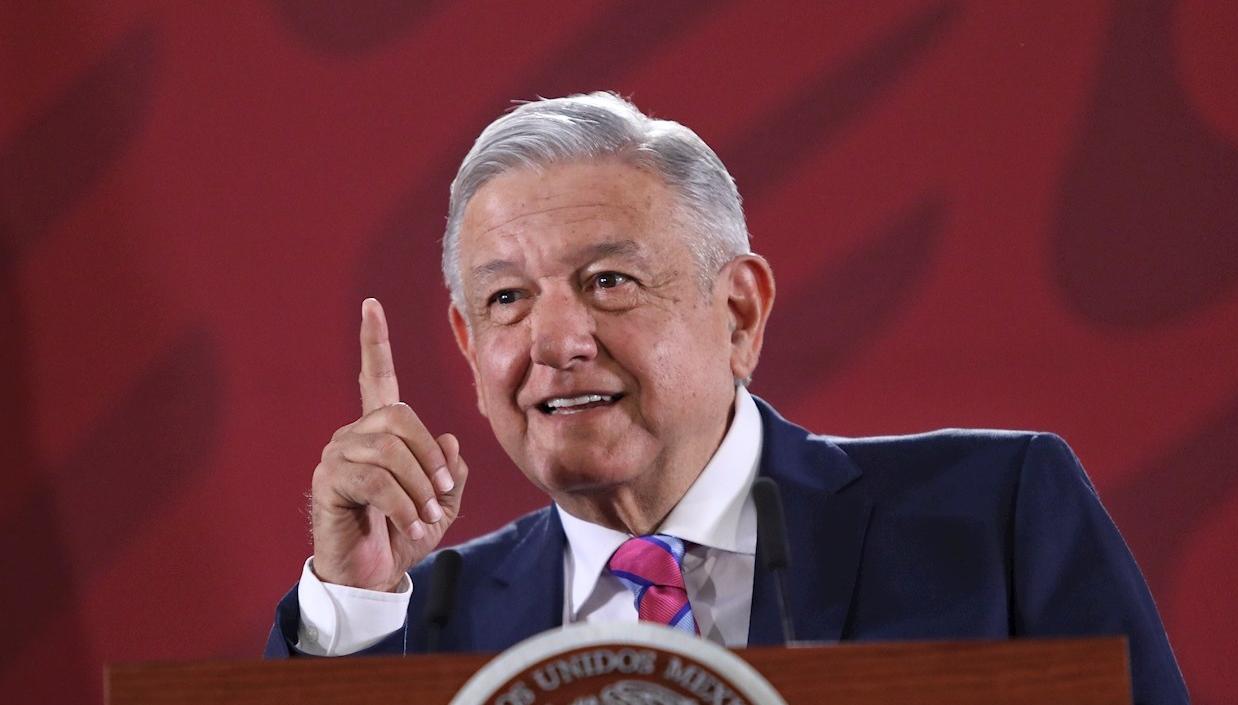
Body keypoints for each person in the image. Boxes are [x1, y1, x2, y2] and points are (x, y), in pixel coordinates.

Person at [265, 92, 1188, 704]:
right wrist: (353, 598)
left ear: (739, 310)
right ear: (470, 347)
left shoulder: (995, 517)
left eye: (609, 281)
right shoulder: (422, 622)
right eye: (506, 299)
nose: (554, 341)